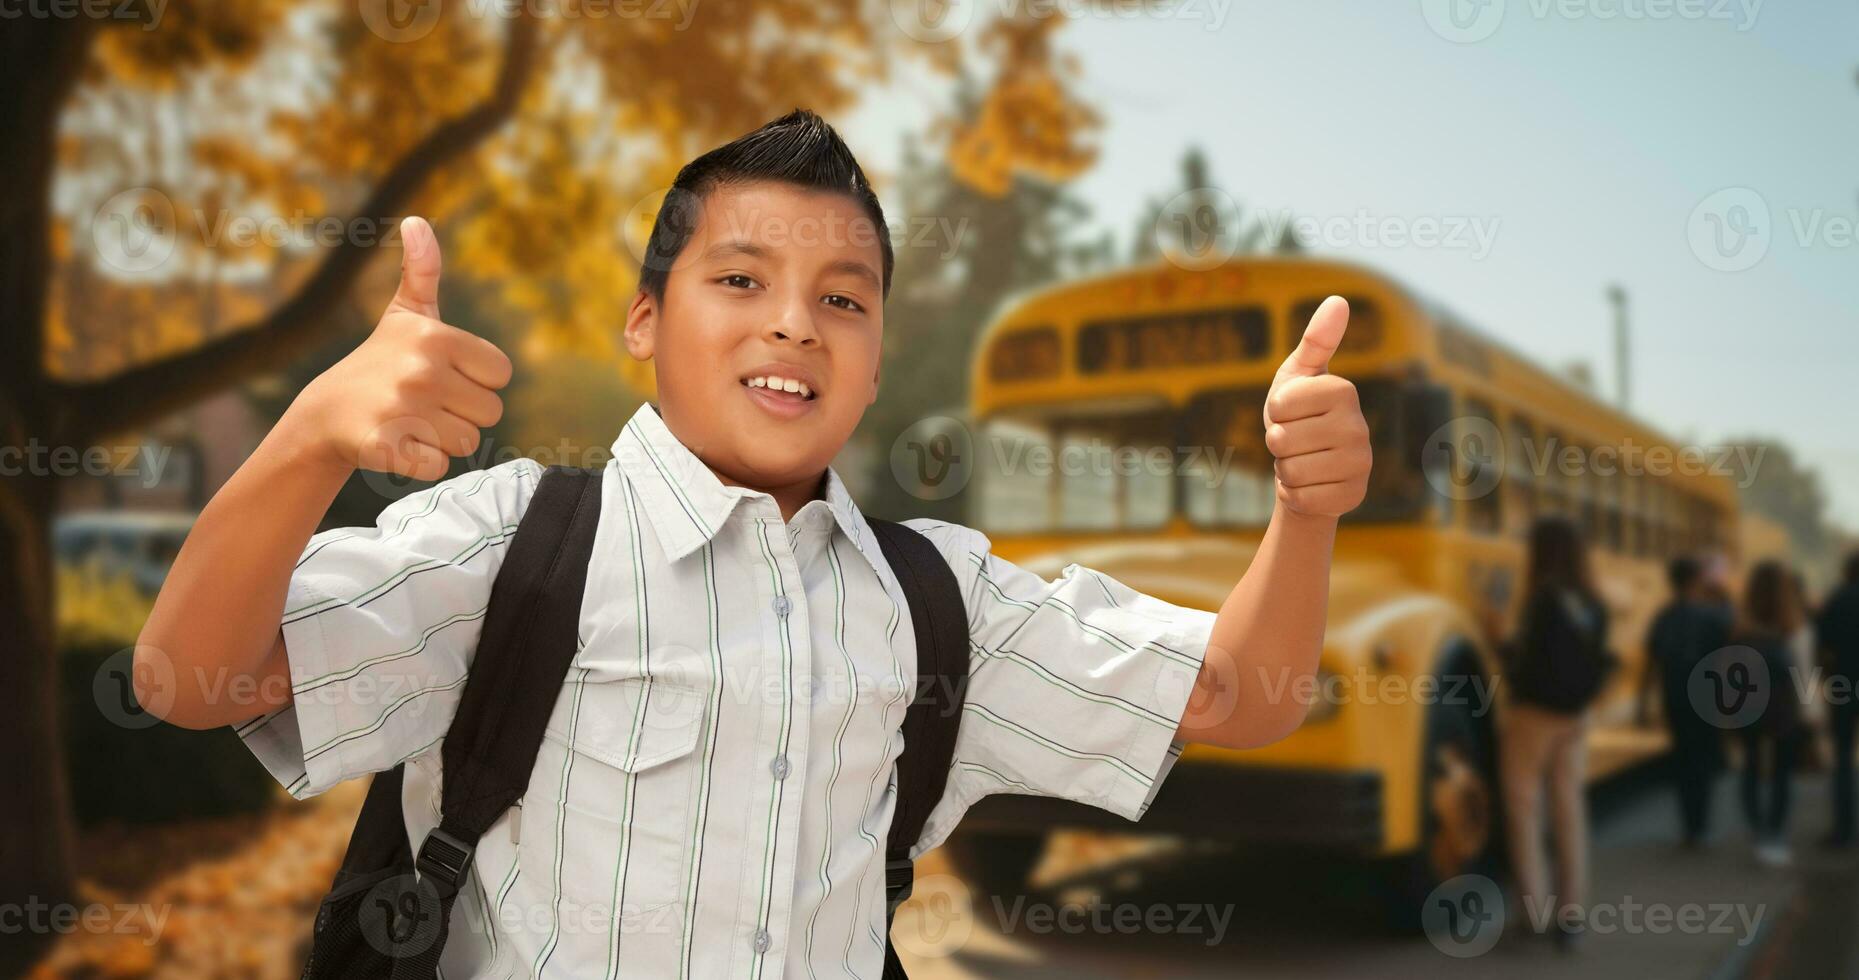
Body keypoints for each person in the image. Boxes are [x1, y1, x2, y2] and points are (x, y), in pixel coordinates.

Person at [131, 110, 1375, 976]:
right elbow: (190, 680)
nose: (795, 325)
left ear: (877, 357)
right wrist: (307, 441)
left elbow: (1237, 697)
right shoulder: (511, 541)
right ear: (642, 316)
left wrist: (1303, 511)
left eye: (843, 298)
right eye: (738, 280)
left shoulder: (940, 597)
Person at [1499, 514, 1611, 950]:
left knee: (1525, 810)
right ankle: (1571, 917)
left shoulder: (1540, 601)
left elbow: (1524, 666)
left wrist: (1498, 641)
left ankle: (1533, 914)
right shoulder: (1593, 604)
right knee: (1569, 811)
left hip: (1533, 716)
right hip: (1576, 717)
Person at [1640, 555, 1731, 848]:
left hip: (1674, 697)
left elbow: (1651, 662)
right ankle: (1700, 827)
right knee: (1702, 763)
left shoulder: (1663, 617)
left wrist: (1644, 703)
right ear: (1696, 581)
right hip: (1705, 698)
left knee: (1682, 759)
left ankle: (1688, 828)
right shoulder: (1711, 617)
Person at [1731, 560, 1809, 868]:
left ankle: (1759, 829)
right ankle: (1773, 835)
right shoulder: (1788, 632)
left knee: (1751, 768)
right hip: (1781, 712)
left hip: (1748, 710)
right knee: (1781, 775)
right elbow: (1799, 677)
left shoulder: (1741, 631)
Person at [1817, 552, 1859, 848]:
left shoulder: (1838, 599)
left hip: (1843, 685)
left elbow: (1822, 644)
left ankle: (1843, 830)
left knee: (1843, 757)